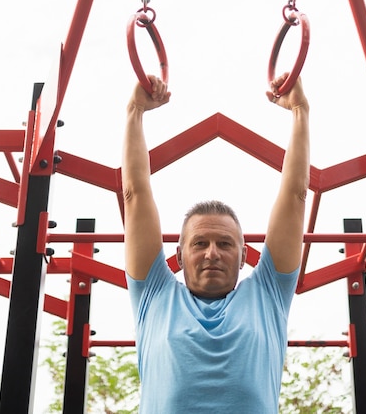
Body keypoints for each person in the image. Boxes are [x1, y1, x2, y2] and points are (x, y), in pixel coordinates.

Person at [122, 72, 310, 413]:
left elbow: (296, 196)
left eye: (225, 244)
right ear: (178, 256)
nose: (212, 253)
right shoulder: (155, 294)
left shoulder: (267, 294)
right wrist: (135, 110)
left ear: (243, 257)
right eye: (199, 244)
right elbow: (134, 195)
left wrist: (300, 111)